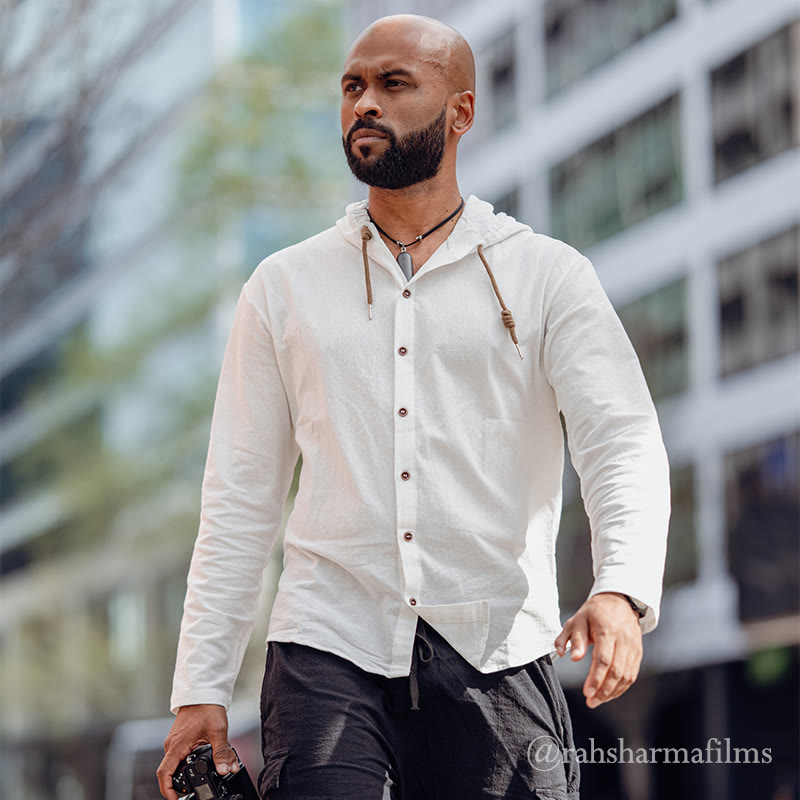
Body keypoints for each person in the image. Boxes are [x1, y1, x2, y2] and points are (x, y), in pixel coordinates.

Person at [157, 13, 670, 800]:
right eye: (352, 86)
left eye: (394, 84)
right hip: (325, 649)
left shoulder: (546, 276)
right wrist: (201, 686)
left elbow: (620, 439)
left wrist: (621, 587)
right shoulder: (282, 288)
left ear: (461, 111)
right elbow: (239, 497)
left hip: (499, 648)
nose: (365, 102)